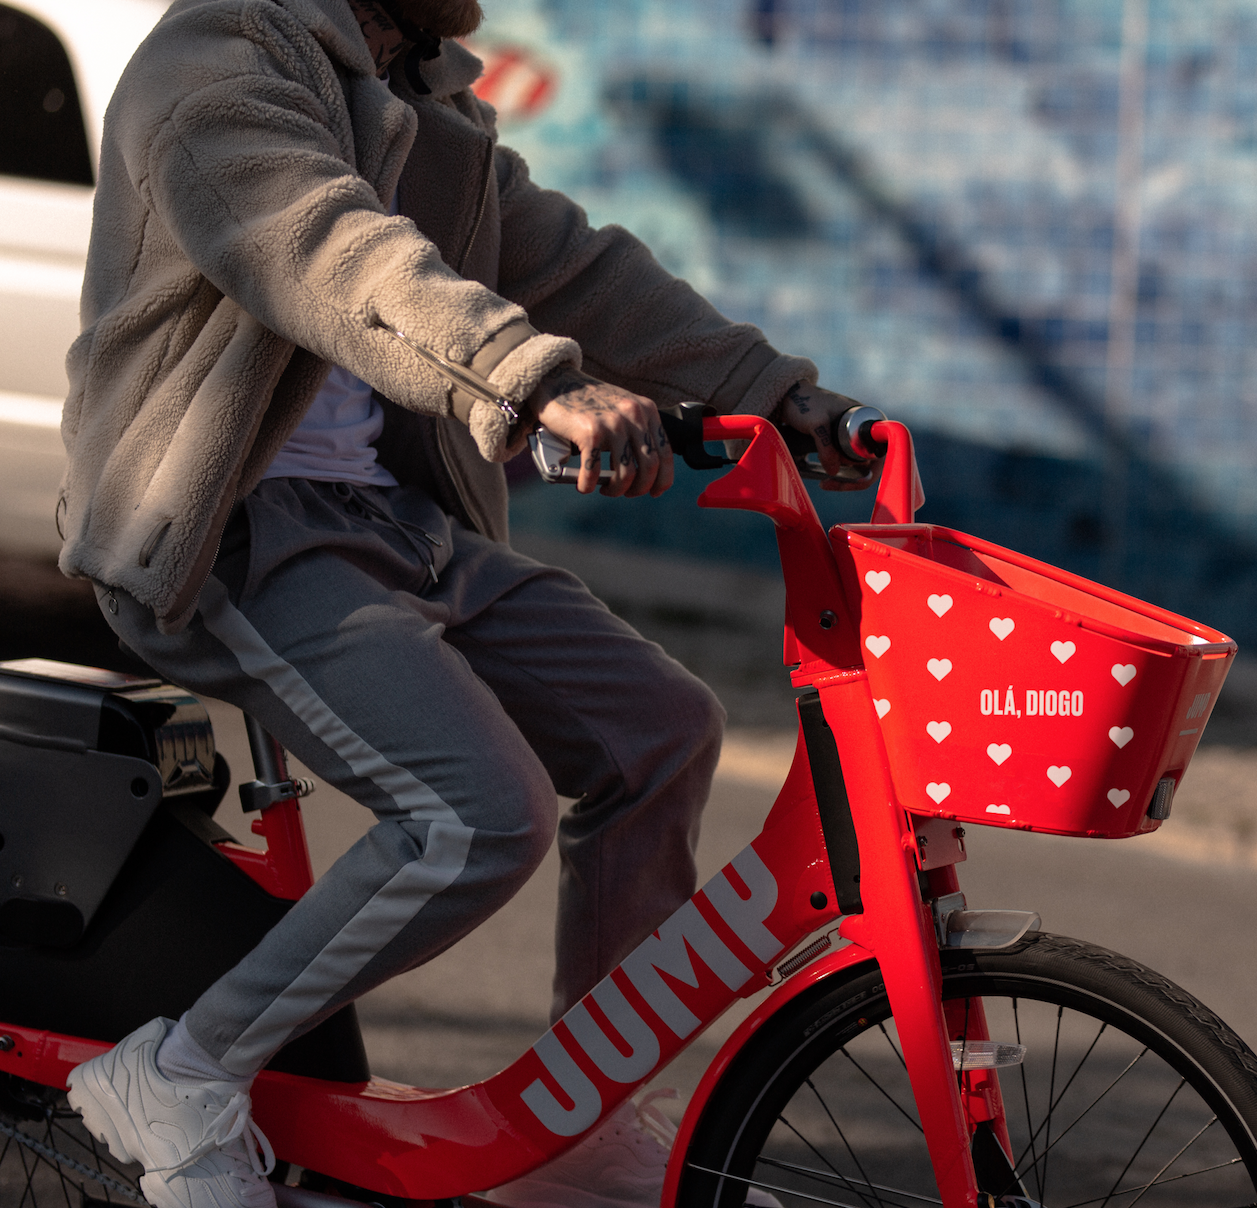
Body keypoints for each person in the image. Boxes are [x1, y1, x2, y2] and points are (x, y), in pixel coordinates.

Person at [55, 1, 867, 1207]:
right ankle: (181, 1070)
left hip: (398, 526)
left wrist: (773, 390)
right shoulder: (215, 62)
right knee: (476, 814)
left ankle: (579, 1128)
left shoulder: (420, 95)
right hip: (228, 532)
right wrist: (531, 383)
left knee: (661, 729)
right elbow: (326, 249)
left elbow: (569, 265)